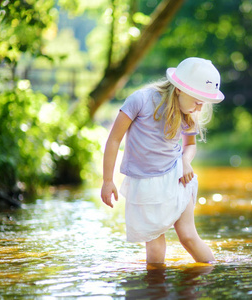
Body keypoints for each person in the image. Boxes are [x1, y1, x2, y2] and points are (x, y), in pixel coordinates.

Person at [100, 57, 224, 264]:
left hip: (177, 178)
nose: (200, 109)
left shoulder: (187, 113)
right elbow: (113, 140)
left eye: (203, 103)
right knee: (155, 249)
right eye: (197, 102)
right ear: (179, 89)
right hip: (145, 185)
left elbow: (190, 145)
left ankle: (213, 273)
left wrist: (185, 161)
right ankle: (156, 291)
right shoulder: (140, 100)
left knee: (188, 237)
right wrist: (107, 180)